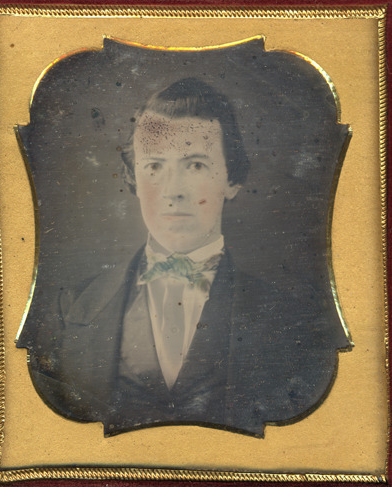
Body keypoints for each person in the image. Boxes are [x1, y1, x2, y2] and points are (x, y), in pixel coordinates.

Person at [18, 77, 351, 437]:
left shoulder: (292, 323)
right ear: (133, 178)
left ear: (232, 179)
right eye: (154, 166)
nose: (173, 191)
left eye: (195, 165)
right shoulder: (72, 308)